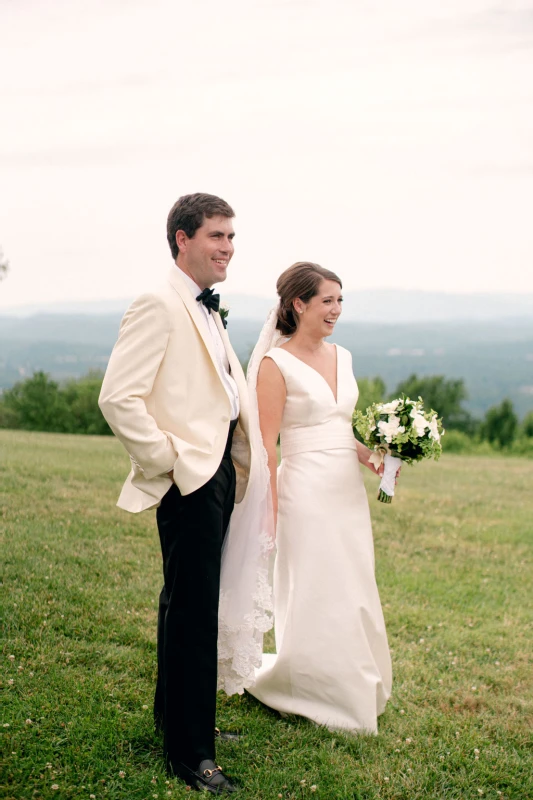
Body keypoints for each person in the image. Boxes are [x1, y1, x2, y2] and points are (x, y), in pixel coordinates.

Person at [99, 193, 273, 794]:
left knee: (187, 602)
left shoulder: (204, 307)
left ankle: (180, 720)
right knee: (194, 610)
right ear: (182, 238)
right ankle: (192, 753)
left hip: (220, 469)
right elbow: (118, 397)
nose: (227, 248)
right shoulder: (158, 302)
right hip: (191, 476)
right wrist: (171, 462)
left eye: (231, 238)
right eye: (216, 236)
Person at [246, 262, 393, 733]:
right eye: (327, 300)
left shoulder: (343, 356)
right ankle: (310, 686)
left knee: (352, 583)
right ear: (298, 304)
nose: (336, 310)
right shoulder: (275, 364)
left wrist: (369, 455)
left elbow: (337, 425)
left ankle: (352, 682)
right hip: (303, 489)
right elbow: (266, 444)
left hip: (345, 491)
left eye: (340, 300)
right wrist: (266, 506)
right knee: (316, 584)